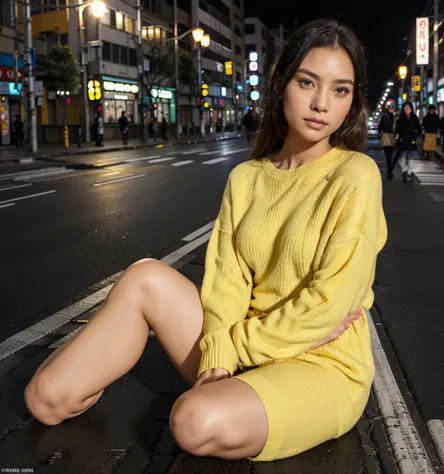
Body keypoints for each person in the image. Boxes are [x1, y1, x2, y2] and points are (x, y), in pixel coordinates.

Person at [24, 19, 387, 463]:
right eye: (307, 82)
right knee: (50, 391)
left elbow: (329, 305)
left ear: (353, 103)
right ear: (281, 83)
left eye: (340, 90)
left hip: (321, 362)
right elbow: (226, 281)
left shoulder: (355, 175)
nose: (320, 103)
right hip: (237, 347)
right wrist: (221, 351)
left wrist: (233, 347)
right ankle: (109, 378)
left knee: (194, 421)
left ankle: (235, 395)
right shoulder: (247, 178)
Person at [395, 101, 422, 182]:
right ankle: (404, 171)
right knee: (402, 156)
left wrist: (415, 135)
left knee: (410, 157)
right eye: (405, 108)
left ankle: (409, 172)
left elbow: (419, 129)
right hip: (403, 140)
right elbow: (397, 129)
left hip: (411, 140)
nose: (406, 109)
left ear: (411, 109)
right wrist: (398, 136)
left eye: (407, 108)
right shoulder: (401, 118)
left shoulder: (414, 118)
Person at [378, 101, 397, 179]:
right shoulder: (384, 117)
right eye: (390, 108)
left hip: (392, 137)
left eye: (392, 108)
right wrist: (381, 133)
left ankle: (389, 170)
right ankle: (389, 170)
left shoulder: (395, 117)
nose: (391, 110)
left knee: (390, 155)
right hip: (386, 137)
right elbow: (380, 127)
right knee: (388, 155)